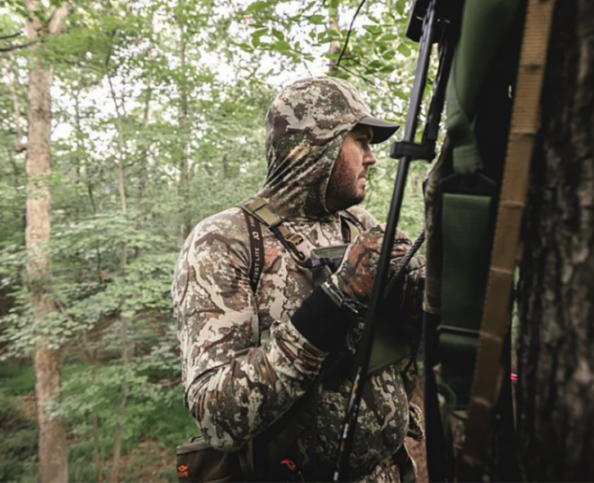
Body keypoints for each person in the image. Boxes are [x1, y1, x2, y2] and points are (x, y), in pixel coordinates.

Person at [172, 77, 425, 482]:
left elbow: (424, 315)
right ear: (315, 148)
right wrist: (337, 300)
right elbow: (216, 414)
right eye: (359, 140)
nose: (371, 157)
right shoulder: (224, 240)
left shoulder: (358, 225)